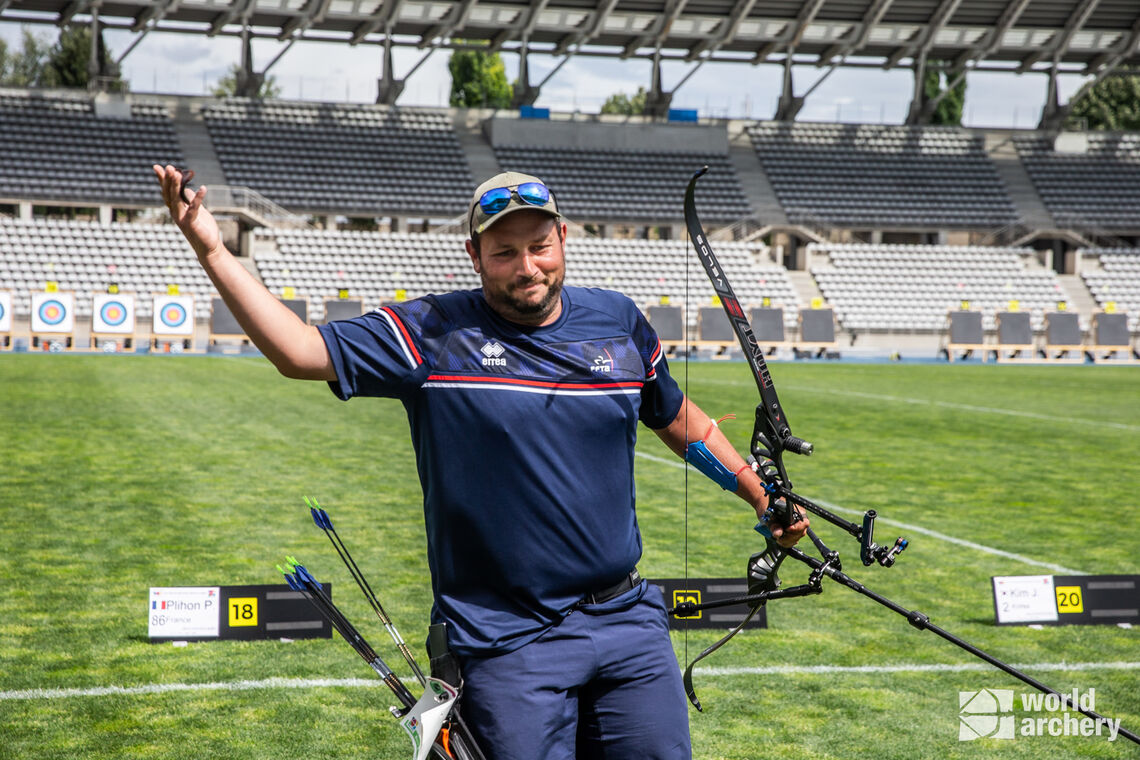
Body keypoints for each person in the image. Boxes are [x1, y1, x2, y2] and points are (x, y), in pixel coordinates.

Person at [152, 165, 809, 759]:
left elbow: (676, 418)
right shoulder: (431, 333)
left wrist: (760, 495)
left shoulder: (619, 322)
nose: (526, 266)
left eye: (538, 246)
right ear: (475, 256)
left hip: (626, 623)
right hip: (505, 640)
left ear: (562, 239)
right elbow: (299, 351)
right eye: (504, 252)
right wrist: (213, 248)